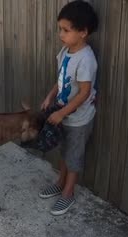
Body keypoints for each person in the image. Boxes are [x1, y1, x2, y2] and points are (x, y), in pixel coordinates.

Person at [38, 0, 99, 216]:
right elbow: (61, 79)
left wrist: (62, 112)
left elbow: (83, 93)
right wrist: (50, 96)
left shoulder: (86, 60)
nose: (61, 34)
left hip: (79, 119)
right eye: (60, 29)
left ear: (83, 32)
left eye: (66, 30)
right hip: (63, 115)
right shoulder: (66, 51)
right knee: (64, 153)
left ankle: (68, 192)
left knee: (73, 157)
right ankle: (60, 182)